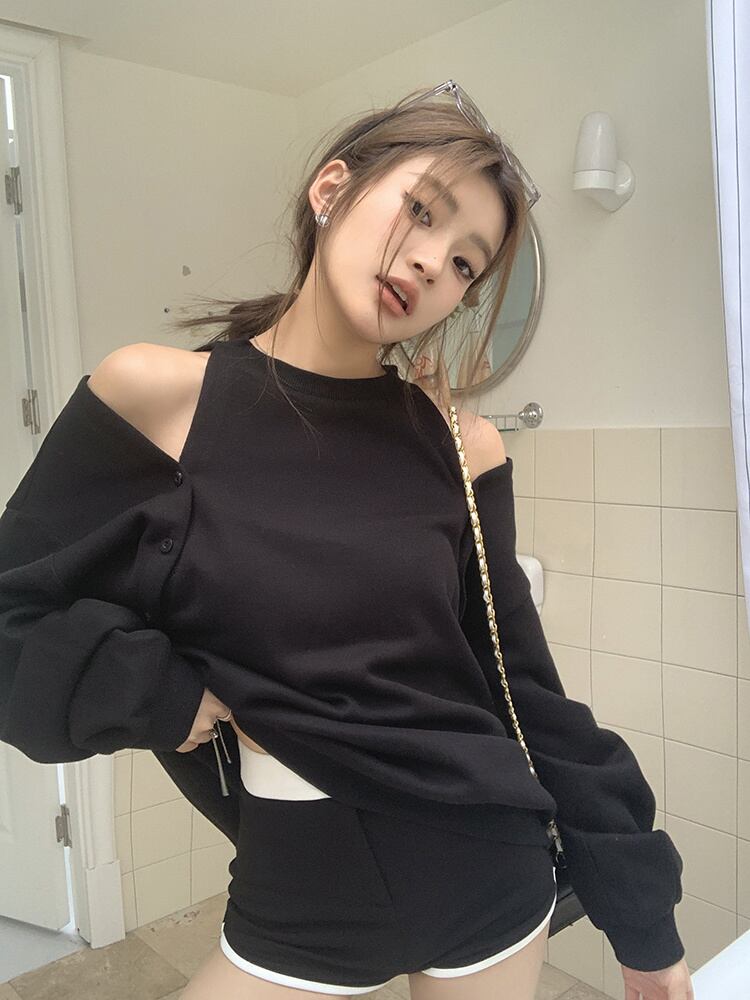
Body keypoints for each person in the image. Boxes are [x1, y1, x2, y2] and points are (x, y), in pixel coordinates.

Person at [0, 81, 693, 1000]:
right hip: (298, 892)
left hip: (488, 874)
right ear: (331, 189)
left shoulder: (462, 447)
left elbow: (522, 686)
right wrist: (162, 693)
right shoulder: (159, 400)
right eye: (422, 211)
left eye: (465, 263)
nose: (432, 263)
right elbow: (12, 616)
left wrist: (643, 924)